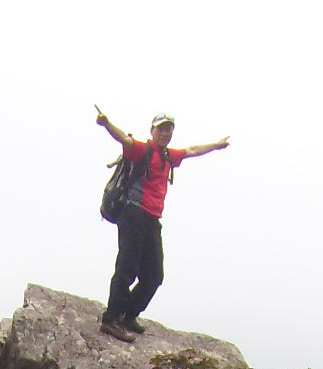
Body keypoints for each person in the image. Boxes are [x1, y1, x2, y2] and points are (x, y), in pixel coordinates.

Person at [94, 107, 229, 341]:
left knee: (154, 275)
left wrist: (216, 145)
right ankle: (111, 319)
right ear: (152, 130)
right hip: (133, 213)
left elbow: (192, 150)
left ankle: (128, 315)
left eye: (169, 130)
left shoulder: (168, 156)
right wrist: (106, 124)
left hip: (152, 219)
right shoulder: (141, 150)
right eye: (162, 129)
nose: (165, 133)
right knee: (128, 267)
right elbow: (123, 139)